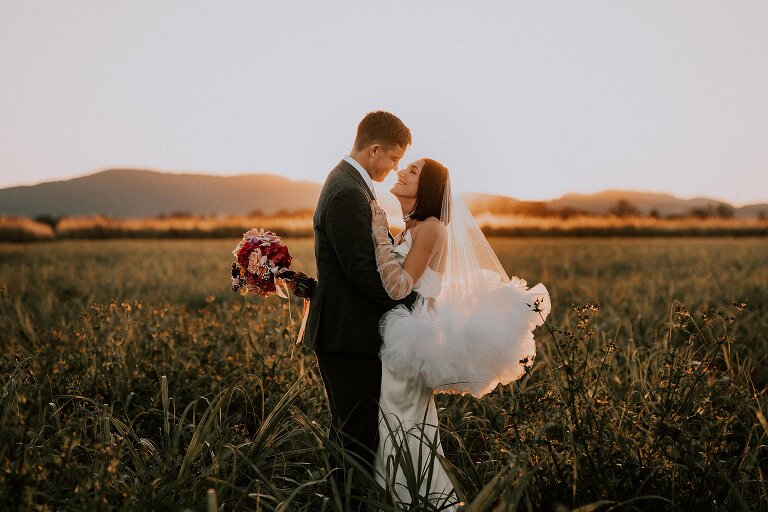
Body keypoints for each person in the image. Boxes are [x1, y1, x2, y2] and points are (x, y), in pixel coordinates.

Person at [369, 158, 551, 508]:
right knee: (398, 422)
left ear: (429, 188)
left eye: (413, 171)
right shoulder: (413, 227)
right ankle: (404, 498)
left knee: (403, 423)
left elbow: (398, 286)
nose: (401, 172)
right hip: (402, 332)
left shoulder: (432, 228)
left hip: (408, 337)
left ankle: (415, 501)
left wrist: (379, 233)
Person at [302, 111, 417, 507]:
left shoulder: (352, 185)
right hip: (346, 334)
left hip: (350, 332)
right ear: (374, 149)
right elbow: (362, 271)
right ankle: (346, 503)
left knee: (353, 430)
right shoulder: (345, 191)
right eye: (394, 158)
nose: (395, 168)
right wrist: (411, 305)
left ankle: (342, 501)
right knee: (356, 434)